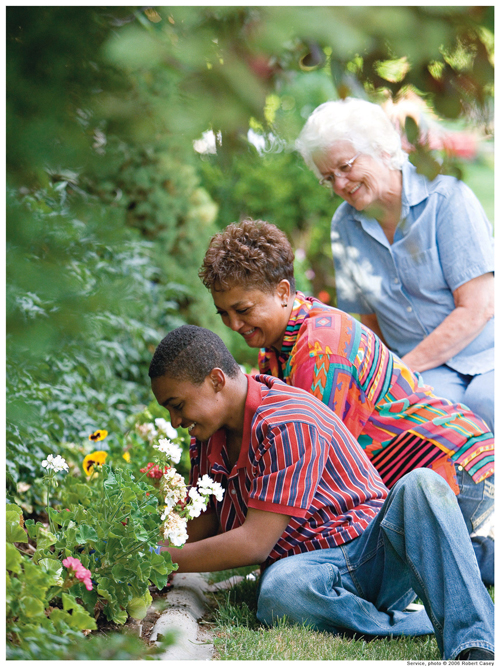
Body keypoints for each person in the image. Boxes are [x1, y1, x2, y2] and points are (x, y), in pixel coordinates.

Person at [149, 325, 494, 660]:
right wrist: (139, 553)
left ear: (216, 380)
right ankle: (412, 623)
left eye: (177, 405)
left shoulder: (286, 420)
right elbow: (203, 520)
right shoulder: (209, 436)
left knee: (422, 484)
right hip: (310, 567)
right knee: (280, 592)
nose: (175, 420)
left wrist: (159, 557)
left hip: (369, 553)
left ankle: (475, 643)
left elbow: (254, 544)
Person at [199, 219, 494, 584]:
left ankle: (477, 558)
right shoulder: (277, 346)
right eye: (224, 314)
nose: (233, 324)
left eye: (242, 310)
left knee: (399, 563)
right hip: (409, 475)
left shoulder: (321, 353)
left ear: (282, 291)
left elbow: (310, 474)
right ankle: (465, 554)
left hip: (451, 470)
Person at [295, 97, 494, 434]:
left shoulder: (445, 196)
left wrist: (398, 372)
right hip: (423, 373)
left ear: (381, 148)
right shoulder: (344, 225)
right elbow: (370, 322)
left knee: (486, 404)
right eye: (329, 178)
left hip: (486, 354)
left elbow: (478, 307)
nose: (340, 184)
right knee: (425, 427)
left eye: (345, 167)